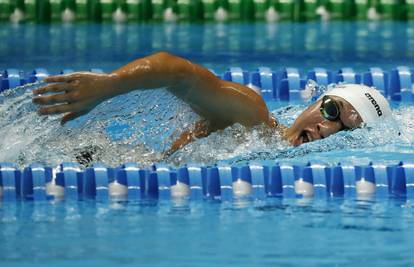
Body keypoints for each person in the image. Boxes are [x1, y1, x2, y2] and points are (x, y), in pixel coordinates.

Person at [32, 52, 392, 157]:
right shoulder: (251, 117)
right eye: (331, 111)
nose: (326, 129)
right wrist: (109, 86)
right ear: (316, 102)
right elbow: (178, 71)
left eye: (346, 128)